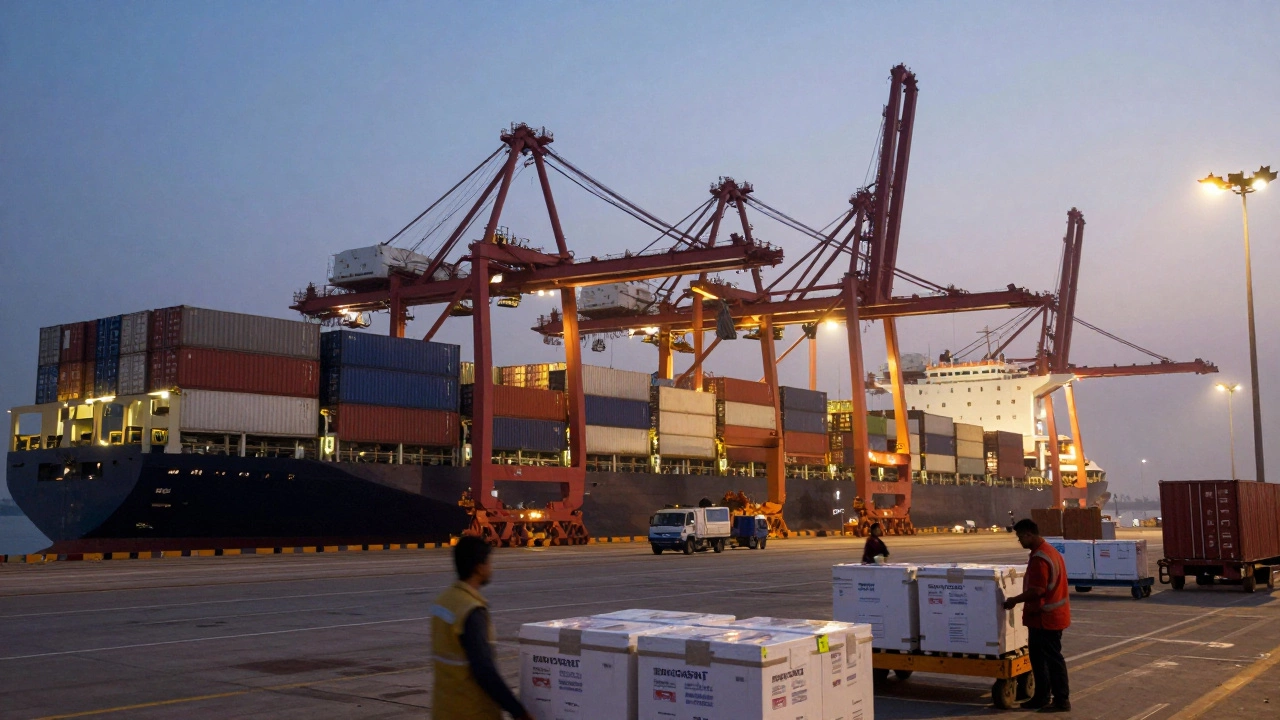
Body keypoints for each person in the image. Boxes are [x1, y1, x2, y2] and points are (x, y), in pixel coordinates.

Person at [431, 536, 533, 720]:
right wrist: (519, 712)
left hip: (444, 710)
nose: (490, 568)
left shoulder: (443, 602)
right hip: (471, 712)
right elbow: (485, 671)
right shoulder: (471, 610)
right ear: (479, 567)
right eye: (489, 563)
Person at [1003, 518, 1071, 713]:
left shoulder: (1040, 558)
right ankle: (1041, 697)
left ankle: (1061, 700)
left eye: (1019, 537)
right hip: (1048, 616)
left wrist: (1014, 600)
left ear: (1028, 534)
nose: (1019, 542)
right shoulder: (1050, 552)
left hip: (1045, 618)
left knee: (1051, 661)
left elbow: (1038, 590)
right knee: (1040, 660)